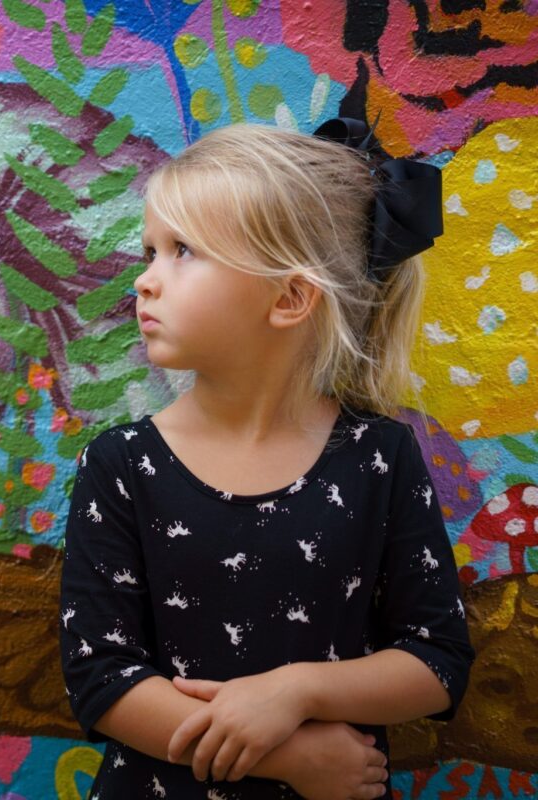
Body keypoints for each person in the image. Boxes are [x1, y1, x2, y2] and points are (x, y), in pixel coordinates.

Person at [58, 118, 475, 799]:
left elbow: (438, 660)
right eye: (150, 251)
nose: (145, 281)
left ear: (289, 297)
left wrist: (298, 690)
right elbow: (102, 677)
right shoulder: (121, 466)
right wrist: (285, 759)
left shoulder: (378, 458)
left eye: (182, 251)